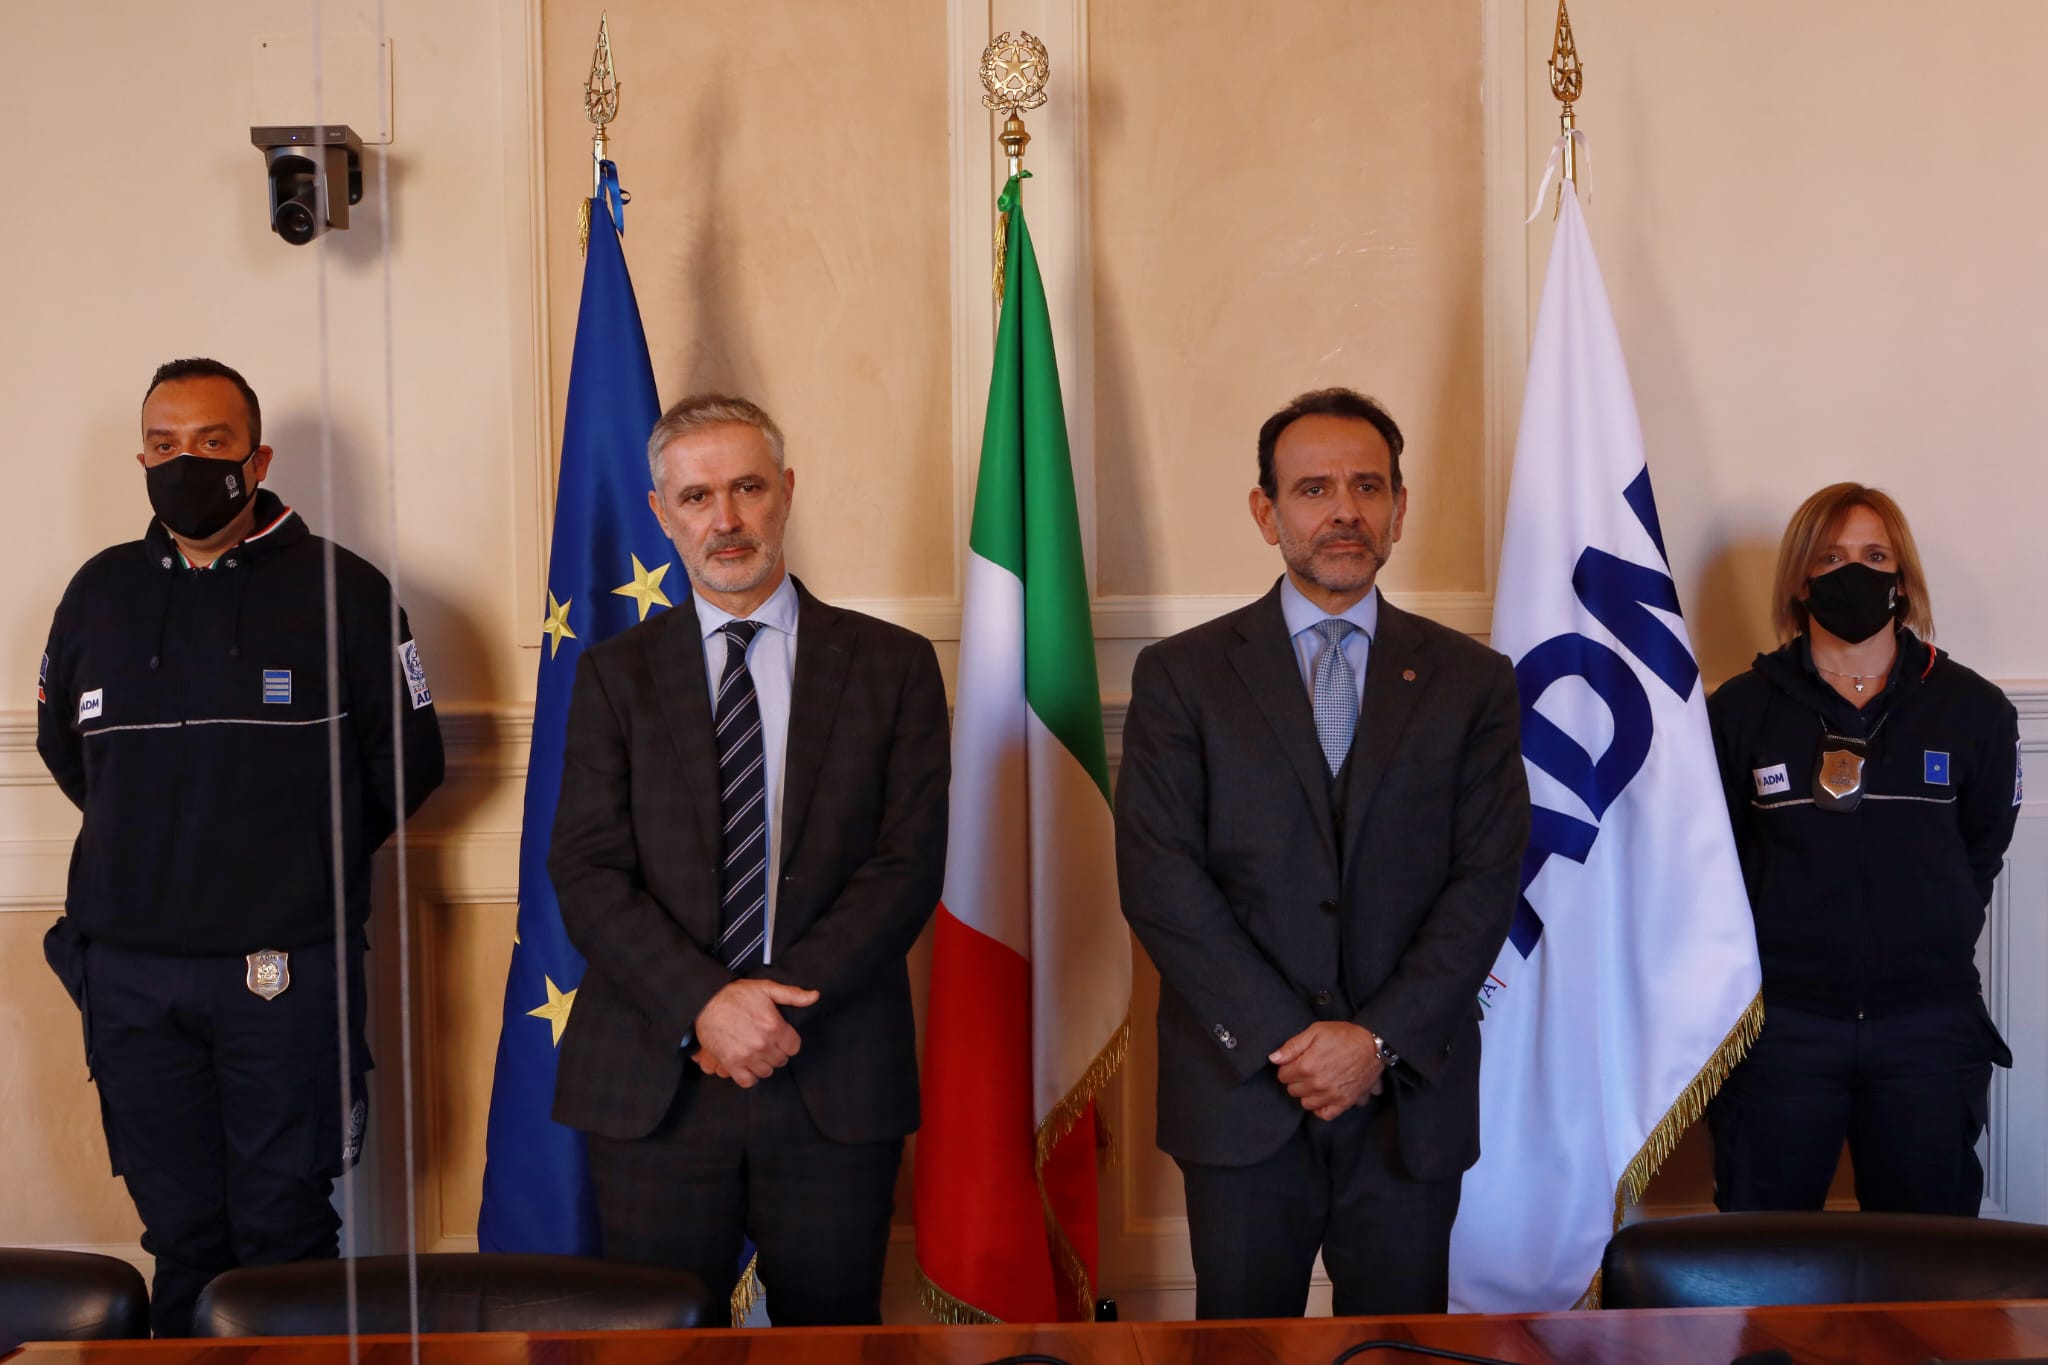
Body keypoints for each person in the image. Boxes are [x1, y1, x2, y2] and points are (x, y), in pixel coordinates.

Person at [36, 357, 445, 1335]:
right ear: (142, 456)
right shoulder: (97, 594)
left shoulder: (344, 589)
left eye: (212, 444)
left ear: (256, 458)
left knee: (285, 1235)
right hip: (130, 983)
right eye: (166, 445)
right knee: (181, 1235)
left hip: (285, 978)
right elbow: (71, 759)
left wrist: (291, 859)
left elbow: (408, 763)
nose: (187, 463)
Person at [1115, 387, 1530, 1318]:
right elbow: (1159, 877)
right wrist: (1291, 1042)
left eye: (1367, 486)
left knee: (1397, 1348)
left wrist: (1375, 1040)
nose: (1344, 509)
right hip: (1242, 1091)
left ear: (1399, 507)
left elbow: (1485, 879)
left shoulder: (1472, 681)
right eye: (1313, 488)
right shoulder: (1181, 676)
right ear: (1267, 513)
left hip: (1408, 1095)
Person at [548, 394, 949, 1325]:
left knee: (832, 1345)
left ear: (787, 493)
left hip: (831, 1071)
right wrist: (707, 1006)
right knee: (656, 1349)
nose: (723, 520)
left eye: (746, 488)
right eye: (695, 497)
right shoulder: (613, 674)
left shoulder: (891, 665)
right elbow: (588, 869)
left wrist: (768, 1007)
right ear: (661, 513)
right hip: (657, 1078)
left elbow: (906, 865)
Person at [1707, 483, 2020, 1214]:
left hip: (1927, 1030)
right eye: (1832, 557)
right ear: (1800, 579)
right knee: (1764, 1263)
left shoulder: (1974, 709)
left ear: (1903, 578)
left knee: (1929, 1269)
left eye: (1875, 555)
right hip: (1780, 1031)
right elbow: (1716, 863)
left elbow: (1980, 850)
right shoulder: (1739, 710)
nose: (1855, 572)